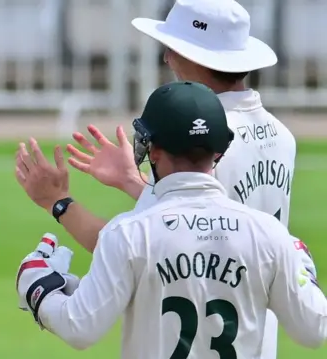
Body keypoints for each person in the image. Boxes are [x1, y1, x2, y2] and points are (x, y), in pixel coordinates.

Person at [18, 1, 296, 357]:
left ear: (195, 55)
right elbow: (204, 228)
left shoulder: (203, 140)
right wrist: (136, 184)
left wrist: (57, 202)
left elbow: (138, 249)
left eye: (172, 47)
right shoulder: (280, 136)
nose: (166, 58)